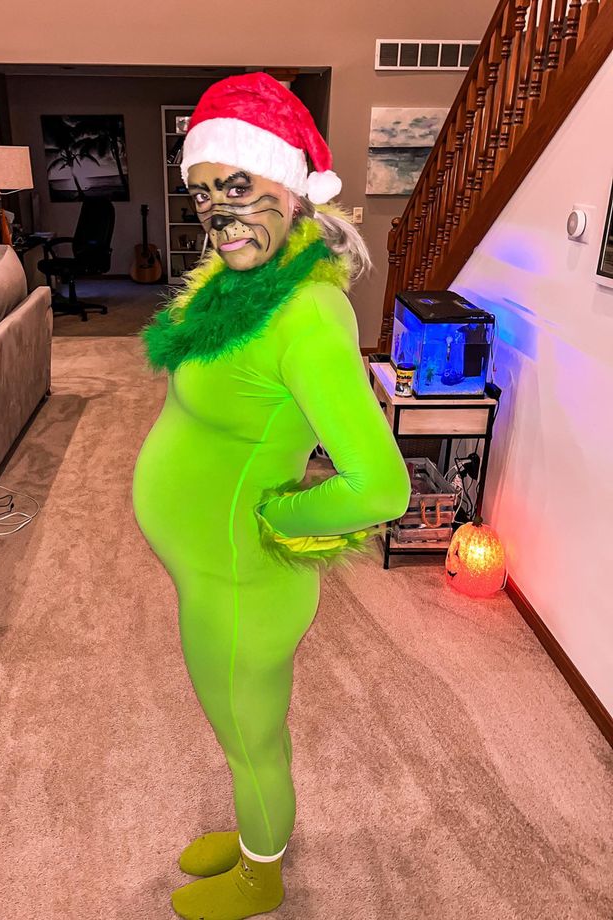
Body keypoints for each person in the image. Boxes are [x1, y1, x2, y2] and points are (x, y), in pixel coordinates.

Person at [132, 72, 411, 920]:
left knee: (251, 733)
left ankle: (262, 873)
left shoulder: (306, 315)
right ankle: (263, 833)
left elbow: (383, 485)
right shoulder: (233, 288)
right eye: (206, 190)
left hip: (244, 579)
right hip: (208, 573)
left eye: (241, 185)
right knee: (237, 728)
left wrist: (277, 520)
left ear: (292, 186)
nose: (220, 211)